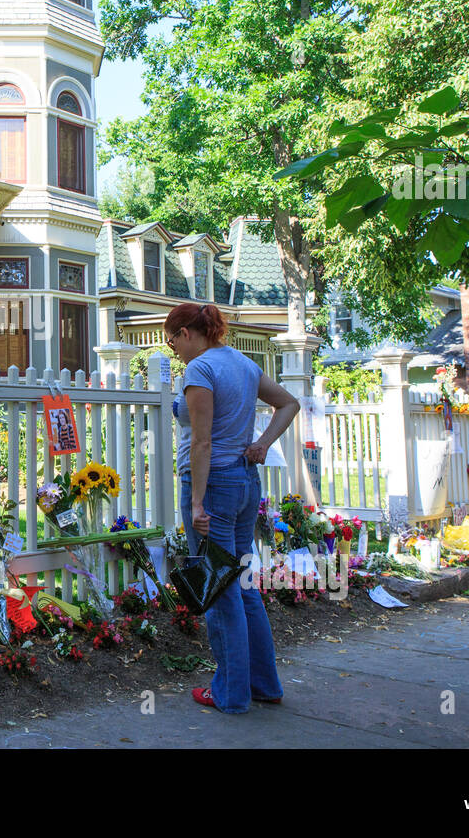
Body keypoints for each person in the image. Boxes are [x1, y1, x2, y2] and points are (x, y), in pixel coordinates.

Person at [167, 302, 300, 713]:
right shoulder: (242, 364)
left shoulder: (201, 370)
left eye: (173, 341)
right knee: (242, 585)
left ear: (189, 333)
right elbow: (289, 403)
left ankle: (231, 693)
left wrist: (197, 502)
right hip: (245, 481)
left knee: (218, 588)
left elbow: (203, 442)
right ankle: (264, 684)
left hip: (215, 486)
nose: (174, 350)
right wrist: (262, 444)